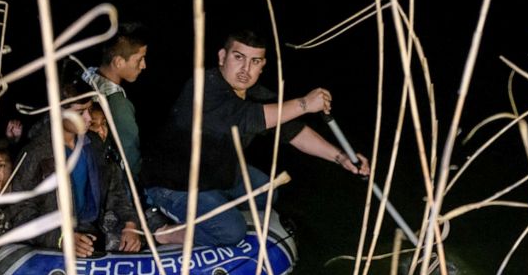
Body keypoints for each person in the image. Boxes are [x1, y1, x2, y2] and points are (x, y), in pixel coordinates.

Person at [142, 29, 370, 247]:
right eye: (238, 57)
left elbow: (294, 132)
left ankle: (212, 210)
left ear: (263, 66)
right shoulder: (203, 86)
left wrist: (340, 157)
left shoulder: (254, 94)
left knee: (267, 192)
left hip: (218, 174)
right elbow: (250, 118)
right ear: (222, 56)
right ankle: (161, 231)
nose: (245, 69)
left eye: (255, 61)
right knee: (231, 232)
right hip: (176, 184)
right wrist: (304, 104)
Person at [5, 81, 143, 256]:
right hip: (52, 246)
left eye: (89, 110)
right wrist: (61, 238)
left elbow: (116, 192)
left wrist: (130, 225)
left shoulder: (95, 145)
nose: (88, 118)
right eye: (79, 113)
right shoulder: (35, 154)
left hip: (93, 234)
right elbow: (20, 212)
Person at [82, 22, 148, 179]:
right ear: (118, 62)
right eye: (139, 59)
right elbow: (131, 160)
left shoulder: (82, 78)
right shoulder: (119, 105)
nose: (143, 66)